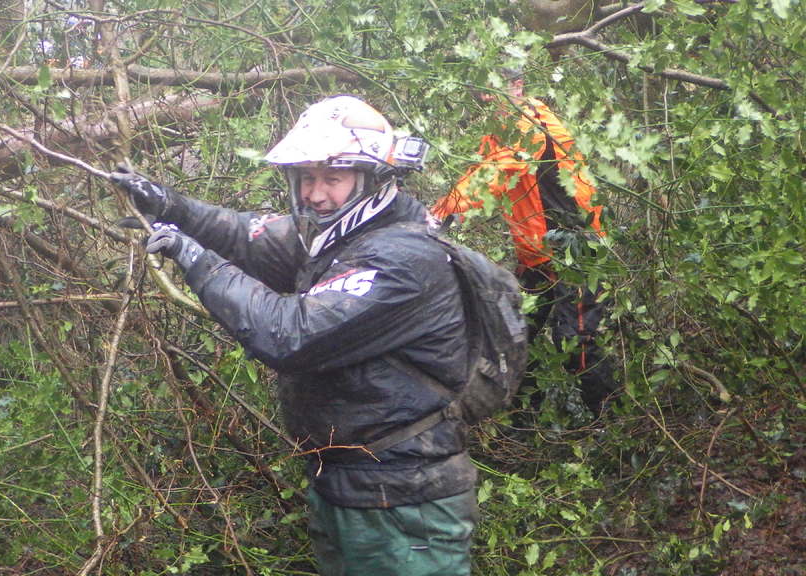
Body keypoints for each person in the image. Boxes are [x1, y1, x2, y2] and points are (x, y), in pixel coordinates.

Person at [112, 95, 477, 575]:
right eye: (307, 177)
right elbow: (247, 235)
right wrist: (169, 205)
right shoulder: (338, 238)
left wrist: (194, 257)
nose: (315, 194)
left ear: (372, 178)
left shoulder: (403, 258)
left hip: (405, 497)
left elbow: (288, 334)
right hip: (347, 484)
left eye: (332, 178)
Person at [430, 71, 617, 416]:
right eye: (479, 92)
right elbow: (482, 173)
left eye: (493, 89)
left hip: (576, 250)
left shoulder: (533, 122)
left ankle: (608, 422)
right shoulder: (498, 128)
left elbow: (499, 171)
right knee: (513, 336)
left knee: (576, 340)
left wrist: (441, 214)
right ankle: (522, 420)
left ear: (516, 85)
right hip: (537, 256)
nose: (486, 99)